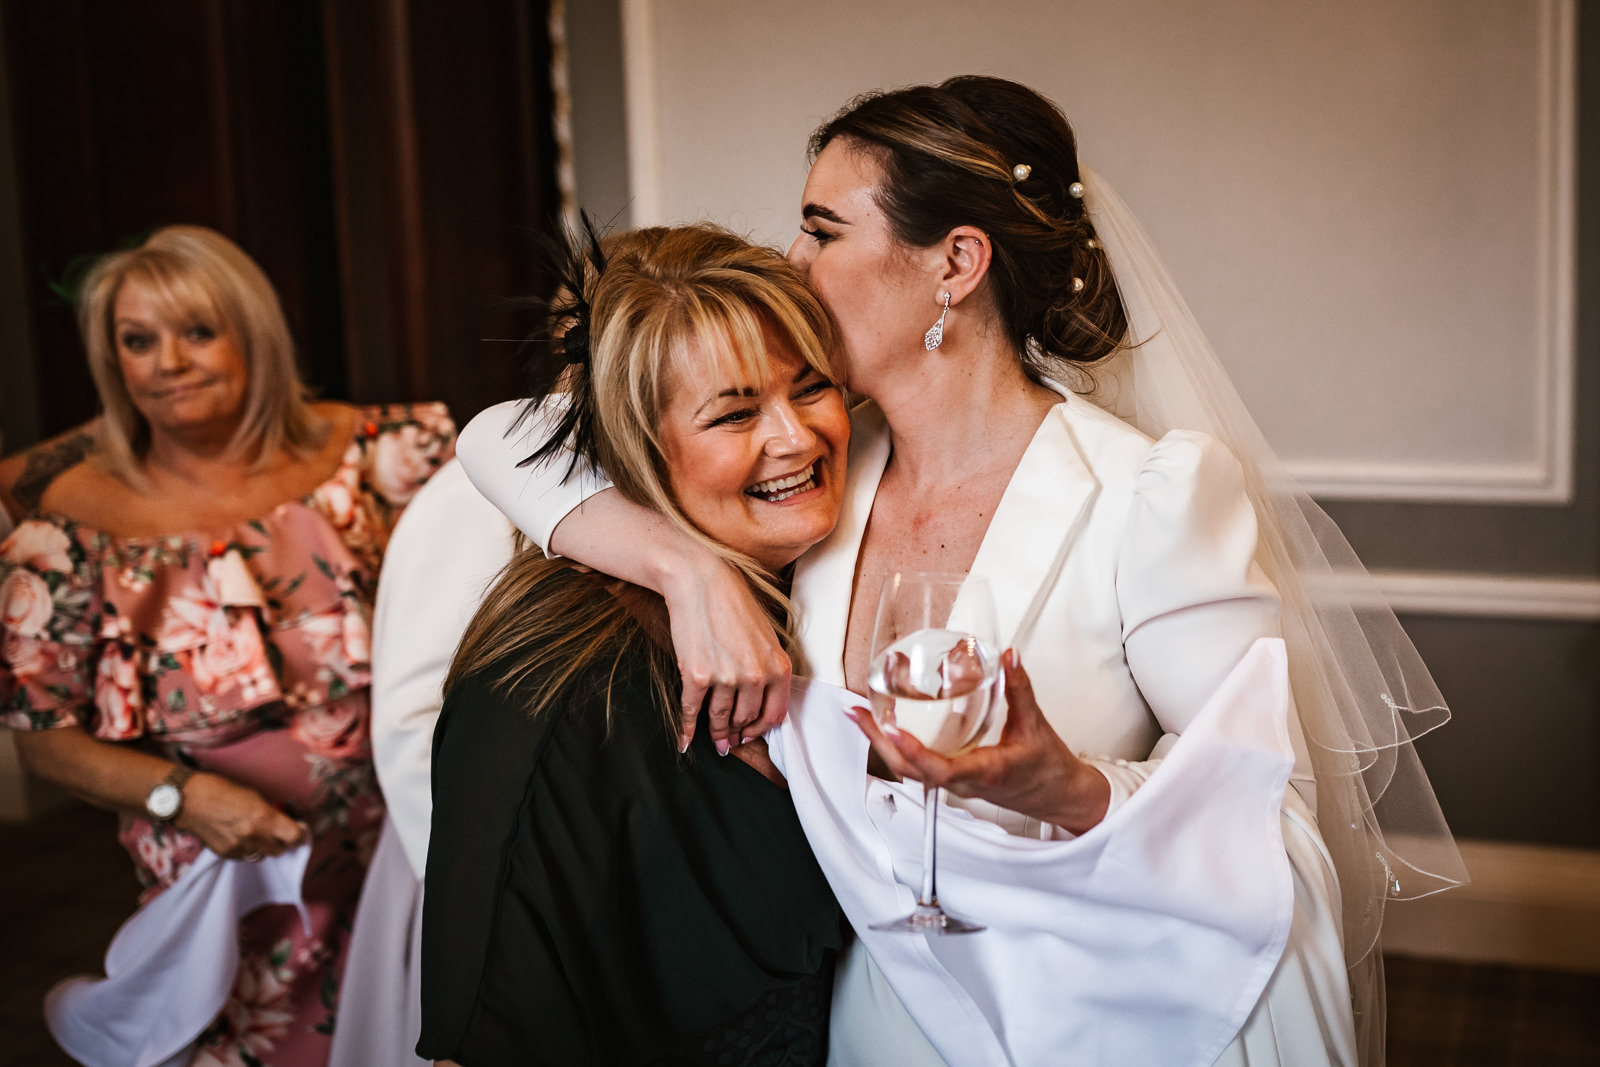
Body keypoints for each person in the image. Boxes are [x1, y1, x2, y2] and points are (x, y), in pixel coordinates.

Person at [456, 77, 1466, 1066]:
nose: (789, 259)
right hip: (863, 1014)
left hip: (1069, 1020)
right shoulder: (821, 464)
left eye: (821, 228)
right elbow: (508, 434)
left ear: (955, 262)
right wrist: (686, 570)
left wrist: (1070, 788)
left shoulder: (1147, 495)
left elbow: (1274, 828)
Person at [0, 224, 454, 1066]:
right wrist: (184, 796)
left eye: (197, 332)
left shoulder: (377, 459)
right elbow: (44, 746)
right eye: (137, 341)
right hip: (234, 874)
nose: (167, 361)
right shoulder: (72, 524)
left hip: (408, 852)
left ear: (254, 332)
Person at [418, 223, 850, 1066]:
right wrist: (686, 567)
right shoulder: (553, 692)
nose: (796, 437)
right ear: (635, 447)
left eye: (812, 389)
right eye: (733, 413)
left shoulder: (825, 570)